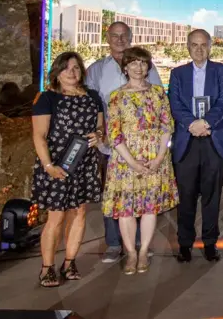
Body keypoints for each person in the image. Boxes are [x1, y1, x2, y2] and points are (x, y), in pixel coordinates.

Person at [84, 21, 162, 263]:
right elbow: (92, 105)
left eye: (123, 35)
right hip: (112, 145)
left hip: (144, 146)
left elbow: (158, 102)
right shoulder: (96, 69)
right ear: (107, 38)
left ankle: (139, 244)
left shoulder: (147, 67)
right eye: (114, 35)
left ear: (131, 37)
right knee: (114, 194)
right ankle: (114, 243)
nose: (119, 40)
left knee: (142, 193)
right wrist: (99, 132)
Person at [31, 52, 105, 287]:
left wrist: (98, 135)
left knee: (79, 213)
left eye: (76, 68)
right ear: (57, 72)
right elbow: (39, 135)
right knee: (56, 216)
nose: (71, 72)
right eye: (66, 68)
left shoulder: (93, 96)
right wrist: (48, 166)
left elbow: (101, 126)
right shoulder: (47, 98)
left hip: (85, 164)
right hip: (58, 164)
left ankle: (69, 262)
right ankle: (47, 268)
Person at [103, 47, 179, 275]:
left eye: (143, 63)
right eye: (133, 63)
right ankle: (131, 253)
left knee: (149, 207)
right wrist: (133, 162)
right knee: (126, 209)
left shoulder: (158, 93)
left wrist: (159, 157)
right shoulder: (116, 96)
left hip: (155, 158)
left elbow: (167, 126)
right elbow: (114, 134)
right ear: (125, 67)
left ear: (148, 67)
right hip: (125, 161)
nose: (138, 67)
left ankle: (144, 251)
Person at [168, 29, 223, 263]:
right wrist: (192, 124)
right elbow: (175, 104)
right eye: (194, 45)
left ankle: (210, 243)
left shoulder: (222, 71)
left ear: (210, 47)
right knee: (185, 197)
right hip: (187, 141)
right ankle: (185, 244)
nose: (199, 49)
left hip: (213, 139)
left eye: (203, 44)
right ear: (188, 47)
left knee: (211, 196)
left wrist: (205, 123)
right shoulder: (177, 73)